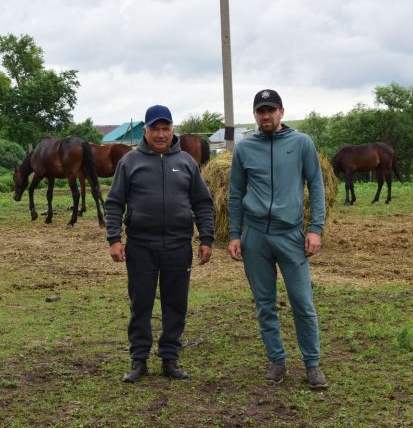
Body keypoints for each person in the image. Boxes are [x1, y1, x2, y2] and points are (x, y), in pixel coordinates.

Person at [227, 89, 328, 389]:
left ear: (282, 112)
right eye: (261, 111)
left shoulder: (301, 144)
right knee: (264, 303)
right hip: (255, 236)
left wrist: (316, 229)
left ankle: (312, 364)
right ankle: (277, 361)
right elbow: (235, 194)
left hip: (290, 235)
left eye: (271, 110)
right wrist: (235, 234)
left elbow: (317, 186)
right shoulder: (245, 149)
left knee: (302, 301)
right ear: (255, 114)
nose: (266, 115)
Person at [105, 104, 215, 383]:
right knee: (140, 304)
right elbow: (115, 202)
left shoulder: (188, 162)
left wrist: (206, 238)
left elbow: (202, 202)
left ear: (172, 130)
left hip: (179, 246)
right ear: (146, 130)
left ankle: (170, 358)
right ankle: (138, 360)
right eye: (155, 128)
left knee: (175, 305)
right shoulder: (129, 162)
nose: (161, 134)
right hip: (141, 246)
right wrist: (114, 238)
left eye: (166, 128)